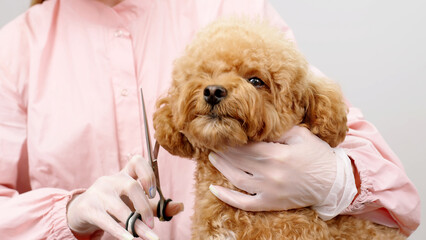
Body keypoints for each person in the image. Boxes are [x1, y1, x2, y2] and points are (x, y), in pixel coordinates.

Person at [0, 0, 420, 239]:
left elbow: (400, 200)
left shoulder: (231, 10)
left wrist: (334, 177)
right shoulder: (16, 48)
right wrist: (67, 214)